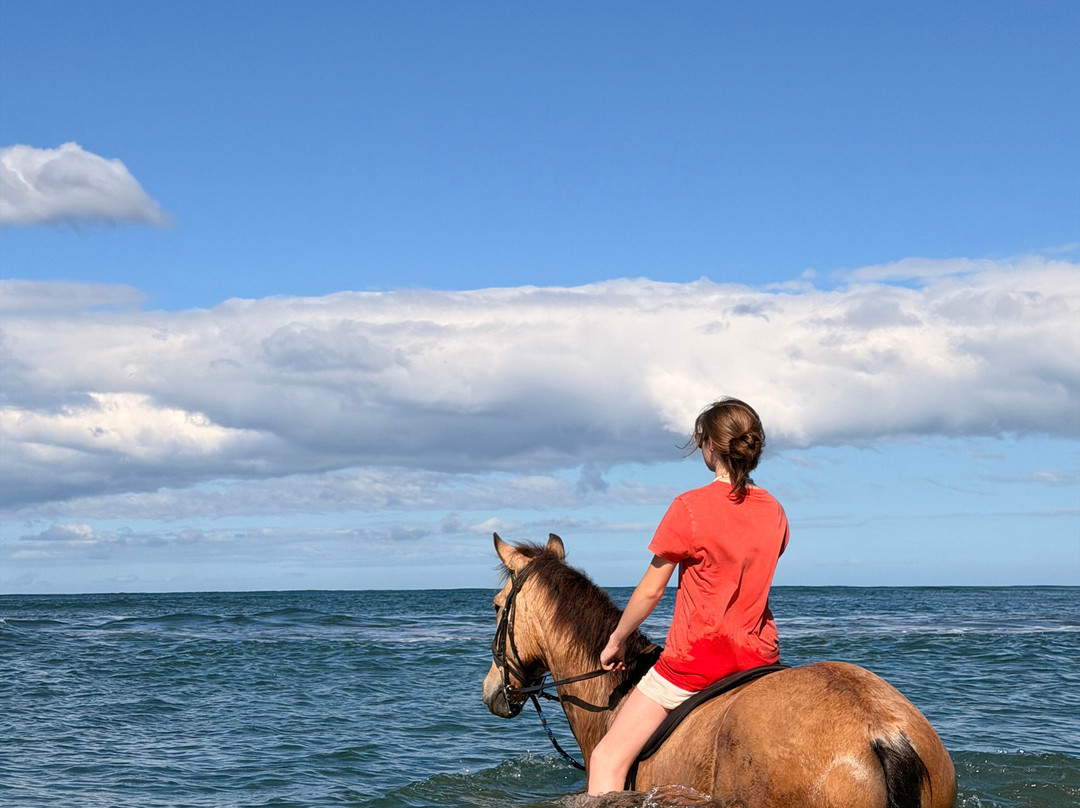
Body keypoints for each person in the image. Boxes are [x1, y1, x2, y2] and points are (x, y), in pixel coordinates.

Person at [586, 397, 789, 796]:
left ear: (709, 446)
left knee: (606, 759)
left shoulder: (689, 507)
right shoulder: (776, 511)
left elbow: (650, 590)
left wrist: (616, 640)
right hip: (759, 658)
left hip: (697, 663)